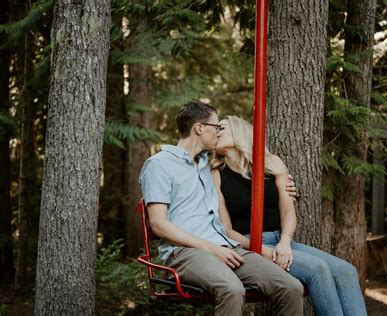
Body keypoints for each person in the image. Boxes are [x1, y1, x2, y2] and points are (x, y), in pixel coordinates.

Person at [139, 101, 303, 316]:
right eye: (216, 127)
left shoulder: (209, 167)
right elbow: (159, 225)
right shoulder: (159, 165)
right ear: (199, 128)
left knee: (291, 287)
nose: (219, 133)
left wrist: (285, 184)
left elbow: (246, 173)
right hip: (185, 252)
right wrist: (211, 248)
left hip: (227, 247)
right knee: (232, 289)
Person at [211, 115, 367, 316]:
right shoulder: (216, 174)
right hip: (250, 245)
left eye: (221, 128)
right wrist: (264, 251)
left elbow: (288, 212)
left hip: (283, 241)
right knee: (317, 269)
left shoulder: (271, 163)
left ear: (239, 131)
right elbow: (227, 230)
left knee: (347, 271)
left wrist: (284, 242)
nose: (216, 132)